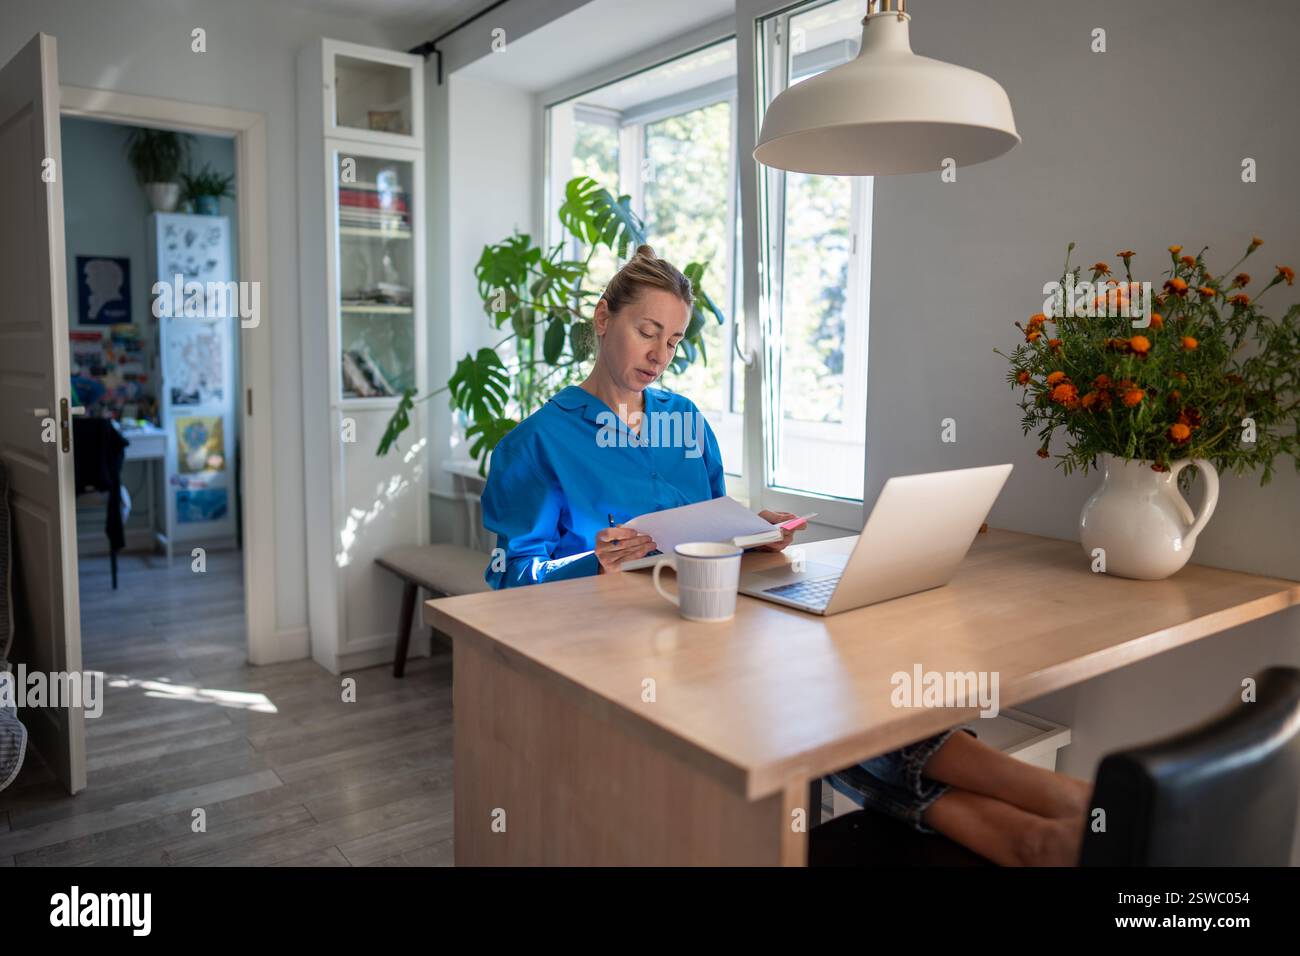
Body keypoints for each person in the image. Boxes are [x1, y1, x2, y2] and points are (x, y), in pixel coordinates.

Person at [480, 244, 1092, 865]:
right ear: (603, 318)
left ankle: (1032, 832)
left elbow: (710, 525)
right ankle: (1050, 810)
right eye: (647, 332)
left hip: (713, 630)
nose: (660, 355)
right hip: (616, 655)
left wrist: (754, 529)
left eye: (674, 339)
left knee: (842, 685)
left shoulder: (685, 421)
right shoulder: (534, 444)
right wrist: (592, 561)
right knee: (814, 707)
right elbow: (508, 584)